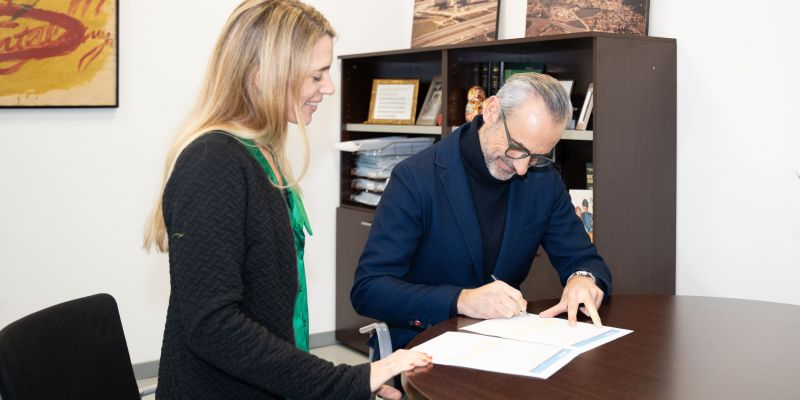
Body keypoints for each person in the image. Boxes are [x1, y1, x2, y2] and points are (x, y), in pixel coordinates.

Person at [143, 1, 430, 399]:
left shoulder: (261, 156)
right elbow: (214, 325)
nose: (329, 87)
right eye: (317, 75)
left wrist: (330, 379)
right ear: (263, 73)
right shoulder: (213, 163)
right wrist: (346, 381)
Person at [351, 73, 612, 353]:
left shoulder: (543, 181)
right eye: (517, 149)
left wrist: (582, 279)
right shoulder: (415, 178)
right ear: (491, 111)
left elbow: (584, 259)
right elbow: (369, 289)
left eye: (537, 156)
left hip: (503, 349)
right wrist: (461, 300)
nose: (523, 168)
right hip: (422, 347)